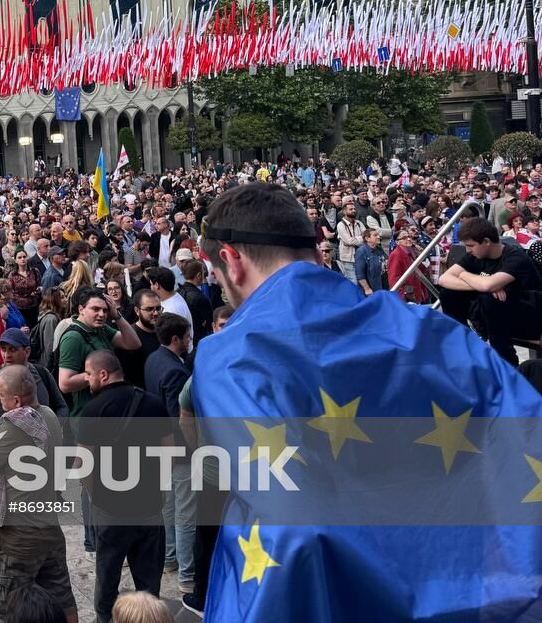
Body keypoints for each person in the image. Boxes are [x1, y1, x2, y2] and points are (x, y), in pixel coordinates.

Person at [195, 183, 542, 619]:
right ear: (318, 252)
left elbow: (289, 523)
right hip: (477, 598)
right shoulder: (430, 330)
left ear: (230, 259)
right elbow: (527, 446)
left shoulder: (229, 356)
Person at [0, 365, 76, 623]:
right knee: (61, 598)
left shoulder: (13, 426)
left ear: (16, 400)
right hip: (49, 529)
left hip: (16, 539)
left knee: (3, 608)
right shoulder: (49, 415)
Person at [78, 348, 171, 617]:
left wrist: (97, 497)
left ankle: (105, 619)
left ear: (103, 375)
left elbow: (84, 465)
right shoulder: (154, 404)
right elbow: (169, 453)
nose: (86, 379)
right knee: (149, 582)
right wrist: (158, 490)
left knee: (107, 578)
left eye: (88, 373)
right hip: (150, 509)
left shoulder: (91, 410)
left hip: (111, 510)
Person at [439, 216, 542, 364]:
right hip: (496, 316)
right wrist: (480, 285)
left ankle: (506, 363)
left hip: (530, 318)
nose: (467, 251)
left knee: (491, 298)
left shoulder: (516, 257)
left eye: (471, 245)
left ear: (486, 242)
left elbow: (487, 286)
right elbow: (444, 279)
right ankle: (463, 346)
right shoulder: (475, 255)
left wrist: (464, 275)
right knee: (448, 294)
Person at [142, 312, 193, 592]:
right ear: (176, 339)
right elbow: (178, 418)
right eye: (186, 337)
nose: (189, 341)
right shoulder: (175, 370)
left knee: (169, 507)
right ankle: (187, 573)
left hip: (160, 447)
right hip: (178, 451)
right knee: (185, 511)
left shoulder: (153, 359)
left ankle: (170, 558)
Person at [55, 288, 140, 415]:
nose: (101, 314)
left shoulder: (101, 329)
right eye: (95, 309)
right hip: (88, 414)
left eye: (105, 310)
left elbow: (133, 344)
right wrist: (98, 375)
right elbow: (65, 384)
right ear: (81, 309)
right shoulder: (73, 338)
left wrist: (117, 316)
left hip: (108, 407)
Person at [0, 327, 68, 419]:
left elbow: (62, 407)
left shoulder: (42, 373)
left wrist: (54, 426)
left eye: (12, 350)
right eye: (3, 349)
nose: (7, 355)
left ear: (27, 351)